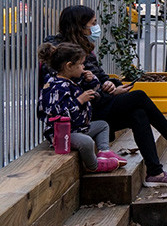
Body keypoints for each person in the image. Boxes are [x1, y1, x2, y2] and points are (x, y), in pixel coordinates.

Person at [42, 5, 167, 188]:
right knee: (139, 97)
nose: (96, 28)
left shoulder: (81, 48)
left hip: (95, 106)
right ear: (79, 25)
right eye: (93, 24)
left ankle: (155, 172)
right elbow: (73, 91)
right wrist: (107, 91)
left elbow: (99, 78)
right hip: (82, 114)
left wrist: (112, 85)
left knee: (138, 114)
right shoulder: (61, 55)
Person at [37, 42, 123, 174]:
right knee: (87, 142)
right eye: (81, 64)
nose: (83, 67)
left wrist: (91, 81)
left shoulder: (72, 80)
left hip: (79, 128)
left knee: (103, 125)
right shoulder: (56, 86)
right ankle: (93, 165)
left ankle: (104, 151)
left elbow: (95, 92)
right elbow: (58, 114)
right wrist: (79, 100)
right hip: (62, 135)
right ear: (69, 66)